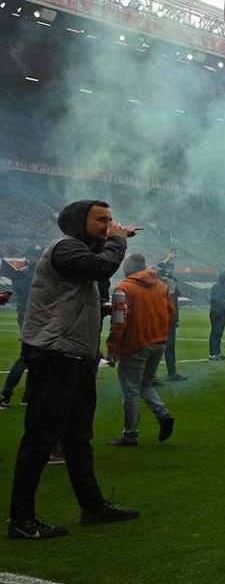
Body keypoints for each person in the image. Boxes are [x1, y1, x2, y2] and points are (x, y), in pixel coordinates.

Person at [8, 200, 140, 540]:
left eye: (111, 219)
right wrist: (118, 240)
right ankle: (21, 519)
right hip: (54, 353)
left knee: (79, 436)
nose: (108, 224)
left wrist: (104, 308)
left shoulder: (81, 252)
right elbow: (101, 267)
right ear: (77, 221)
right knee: (41, 437)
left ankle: (92, 506)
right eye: (101, 219)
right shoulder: (66, 247)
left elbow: (79, 291)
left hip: (78, 355)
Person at [104, 254, 176, 447]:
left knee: (131, 392)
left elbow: (119, 321)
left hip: (135, 346)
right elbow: (171, 313)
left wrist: (111, 349)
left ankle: (130, 435)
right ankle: (162, 414)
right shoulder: (161, 286)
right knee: (145, 384)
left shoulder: (123, 288)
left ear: (127, 268)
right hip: (159, 343)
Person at [0, 246, 38, 409]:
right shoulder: (30, 274)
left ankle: (26, 395)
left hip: (31, 316)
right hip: (33, 317)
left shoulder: (22, 273)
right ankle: (8, 395)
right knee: (28, 356)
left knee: (32, 357)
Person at [155, 251, 185, 382]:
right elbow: (157, 269)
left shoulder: (173, 282)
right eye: (168, 268)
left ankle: (172, 372)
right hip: (159, 317)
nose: (169, 271)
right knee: (155, 347)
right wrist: (167, 259)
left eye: (171, 268)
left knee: (170, 346)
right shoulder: (157, 280)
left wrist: (176, 318)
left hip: (170, 318)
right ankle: (151, 376)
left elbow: (175, 302)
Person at [207, 269, 225, 360]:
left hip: (220, 312)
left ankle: (217, 353)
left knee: (218, 333)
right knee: (216, 333)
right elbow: (215, 299)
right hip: (218, 312)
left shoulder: (221, 287)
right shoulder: (218, 287)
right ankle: (213, 354)